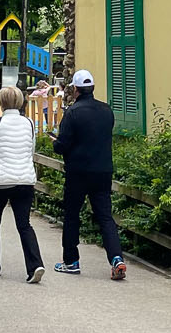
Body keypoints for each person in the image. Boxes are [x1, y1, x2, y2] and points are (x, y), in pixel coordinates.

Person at [52, 69, 126, 280]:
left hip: (77, 172)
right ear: (92, 88)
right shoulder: (106, 110)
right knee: (105, 216)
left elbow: (62, 145)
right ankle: (116, 258)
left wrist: (55, 143)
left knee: (72, 215)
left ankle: (71, 261)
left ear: (75, 89)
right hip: (103, 171)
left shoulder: (73, 113)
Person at [0, 86, 45, 283]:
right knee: (24, 224)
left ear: (1, 102)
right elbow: (31, 149)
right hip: (24, 179)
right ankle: (35, 265)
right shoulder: (29, 123)